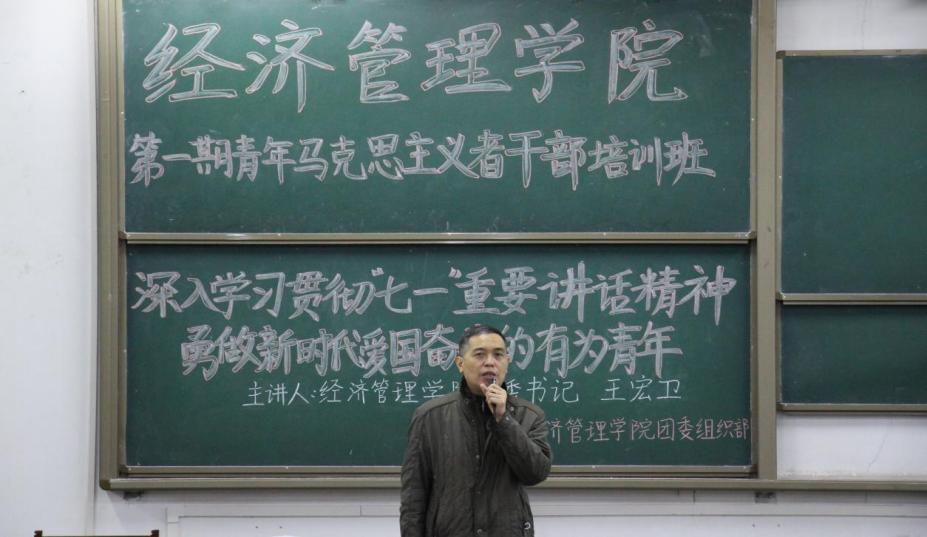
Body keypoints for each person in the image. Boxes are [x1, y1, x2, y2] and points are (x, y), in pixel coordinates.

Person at [400, 324, 552, 537]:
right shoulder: (429, 416)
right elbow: (413, 496)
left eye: (498, 355)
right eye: (480, 354)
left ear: (507, 362)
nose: (490, 362)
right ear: (460, 364)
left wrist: (503, 420)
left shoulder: (529, 415)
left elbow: (535, 474)